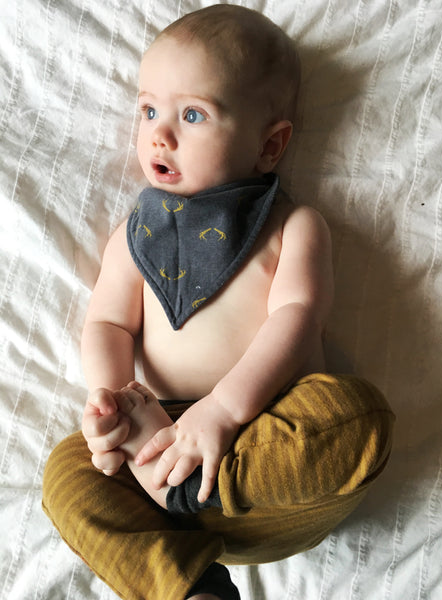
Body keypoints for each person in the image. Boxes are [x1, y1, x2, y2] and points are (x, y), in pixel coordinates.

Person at [42, 5, 395, 600]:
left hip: (263, 456)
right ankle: (192, 587)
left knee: (358, 416)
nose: (160, 134)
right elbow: (107, 322)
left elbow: (298, 317)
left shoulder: (293, 227)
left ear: (269, 145)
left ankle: (192, 489)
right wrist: (112, 404)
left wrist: (226, 411)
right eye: (149, 110)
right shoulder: (133, 236)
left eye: (192, 114)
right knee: (66, 475)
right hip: (155, 451)